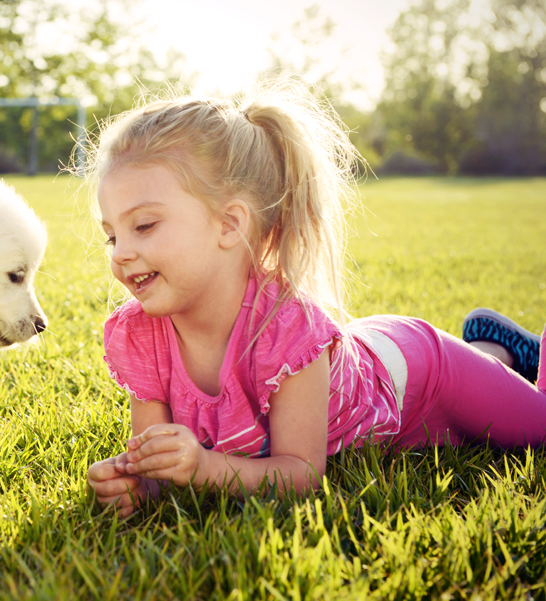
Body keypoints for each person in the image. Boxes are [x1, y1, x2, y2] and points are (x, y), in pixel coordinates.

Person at [85, 76, 546, 517]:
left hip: (419, 375)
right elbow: (155, 465)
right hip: (351, 368)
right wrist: (135, 484)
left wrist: (205, 468)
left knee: (539, 427)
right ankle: (496, 348)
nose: (122, 254)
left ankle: (519, 351)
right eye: (112, 236)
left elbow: (301, 475)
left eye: (144, 226)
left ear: (229, 224)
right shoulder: (138, 333)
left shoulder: (285, 328)